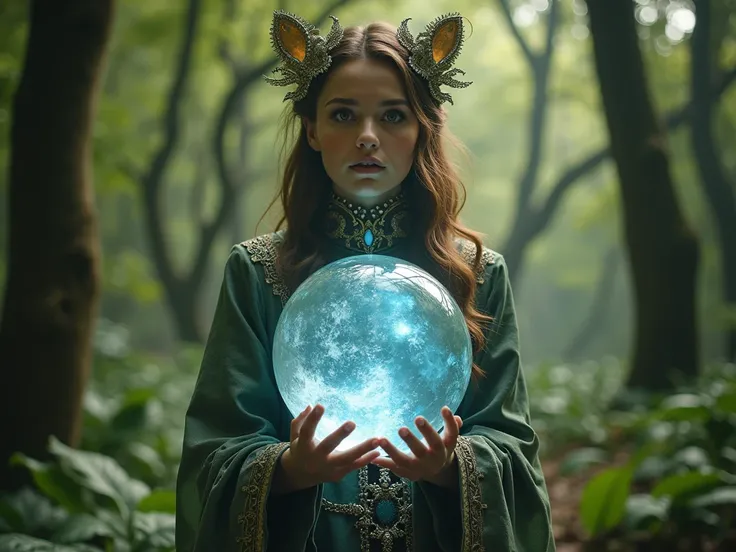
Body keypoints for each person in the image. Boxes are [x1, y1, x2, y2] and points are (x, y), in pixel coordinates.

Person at [175, 9, 554, 552]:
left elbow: (513, 448)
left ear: (425, 127)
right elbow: (214, 452)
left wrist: (451, 468)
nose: (368, 137)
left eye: (394, 116)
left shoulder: (476, 273)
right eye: (344, 115)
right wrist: (288, 467)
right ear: (312, 129)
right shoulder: (258, 273)